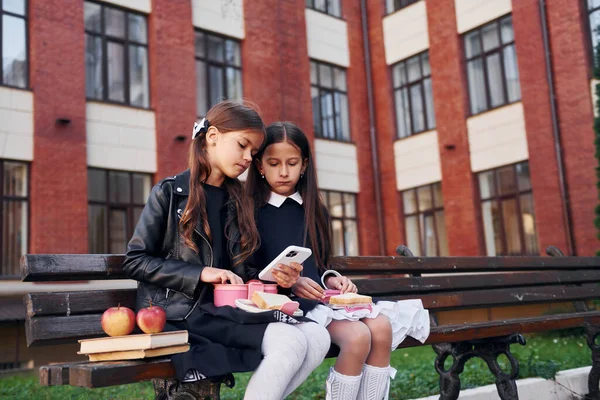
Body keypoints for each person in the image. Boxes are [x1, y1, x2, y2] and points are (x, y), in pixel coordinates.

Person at [123, 102, 330, 400]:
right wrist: (200, 273)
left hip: (231, 309)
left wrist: (279, 278)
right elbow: (135, 261)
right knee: (289, 342)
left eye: (253, 152)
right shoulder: (170, 193)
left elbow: (244, 271)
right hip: (185, 313)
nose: (248, 158)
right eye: (243, 146)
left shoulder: (239, 199)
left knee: (317, 336)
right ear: (213, 137)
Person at [247, 122, 430, 400]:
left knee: (381, 326)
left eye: (292, 163)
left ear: (304, 165)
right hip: (289, 304)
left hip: (321, 297)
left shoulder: (314, 208)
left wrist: (332, 278)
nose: (283, 171)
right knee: (358, 337)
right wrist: (291, 283)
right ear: (260, 165)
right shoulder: (250, 210)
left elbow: (320, 262)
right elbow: (248, 268)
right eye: (273, 163)